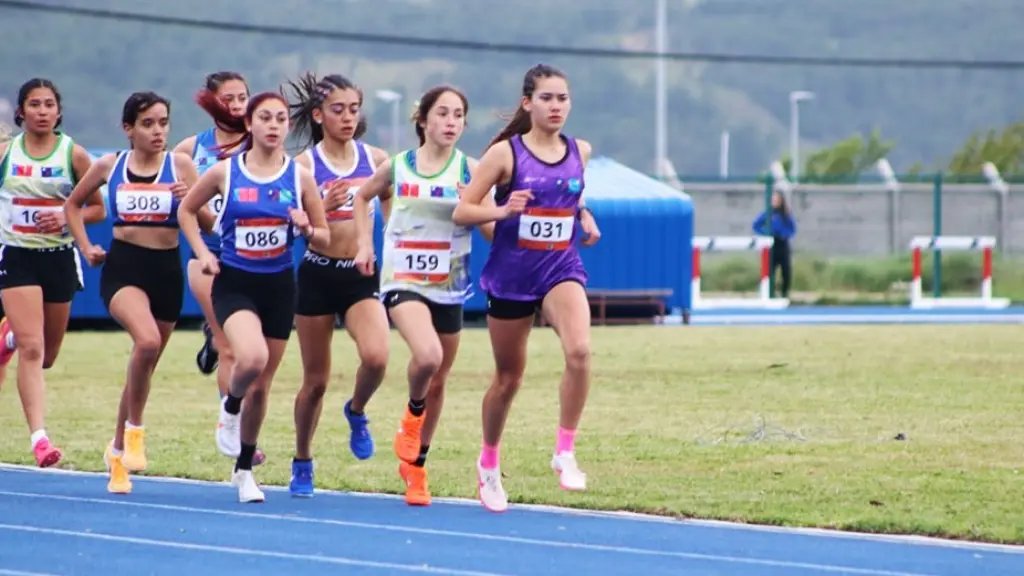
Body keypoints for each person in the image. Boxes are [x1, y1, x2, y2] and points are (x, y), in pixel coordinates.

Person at [451, 64, 602, 513]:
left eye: (562, 99)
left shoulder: (581, 150)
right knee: (508, 379)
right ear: (527, 103)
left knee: (580, 352)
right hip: (512, 275)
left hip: (560, 268)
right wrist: (503, 212)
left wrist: (585, 216)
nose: (556, 107)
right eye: (547, 99)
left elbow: (570, 198)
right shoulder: (504, 156)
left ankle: (565, 451)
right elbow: (463, 211)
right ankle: (489, 464)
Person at [178, 91, 330, 503]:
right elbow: (187, 212)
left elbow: (325, 233)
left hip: (279, 286)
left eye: (281, 118)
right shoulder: (226, 173)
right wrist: (205, 252)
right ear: (249, 125)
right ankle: (229, 409)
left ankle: (244, 469)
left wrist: (308, 229)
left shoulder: (300, 178)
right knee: (253, 357)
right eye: (265, 117)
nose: (274, 125)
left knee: (262, 386)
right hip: (235, 283)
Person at [354, 85, 494, 506]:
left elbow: (487, 224)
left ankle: (416, 469)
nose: (451, 122)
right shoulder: (399, 166)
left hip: (449, 285)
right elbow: (362, 197)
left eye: (458, 115)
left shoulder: (470, 170)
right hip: (403, 279)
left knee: (439, 380)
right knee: (428, 357)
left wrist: (505, 218)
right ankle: (411, 418)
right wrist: (365, 245)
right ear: (423, 120)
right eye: (443, 114)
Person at [65, 92, 209, 494]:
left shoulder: (180, 166)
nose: (158, 131)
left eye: (163, 122)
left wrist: (191, 202)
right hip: (123, 267)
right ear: (128, 129)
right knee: (145, 342)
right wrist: (86, 246)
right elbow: (73, 206)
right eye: (148, 123)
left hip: (166, 272)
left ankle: (115, 453)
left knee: (144, 365)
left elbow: (210, 224)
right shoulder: (111, 165)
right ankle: (136, 433)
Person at [282, 72, 391, 498]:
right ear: (318, 115)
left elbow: (394, 213)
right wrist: (316, 214)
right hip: (316, 273)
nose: (348, 117)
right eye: (338, 110)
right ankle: (303, 459)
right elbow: (291, 226)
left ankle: (357, 409)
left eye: (353, 109)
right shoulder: (305, 165)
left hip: (360, 275)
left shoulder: (377, 159)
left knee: (378, 358)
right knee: (315, 381)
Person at [0, 78, 100, 467]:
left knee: (47, 356)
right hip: (16, 256)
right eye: (34, 104)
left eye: (48, 104)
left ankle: (6, 339)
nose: (42, 111)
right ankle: (40, 440)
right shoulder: (7, 153)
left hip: (58, 257)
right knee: (33, 347)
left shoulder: (73, 155)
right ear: (21, 112)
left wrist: (63, 214)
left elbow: (98, 209)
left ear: (58, 111)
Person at [172, 71, 266, 466]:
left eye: (244, 96)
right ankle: (234, 432)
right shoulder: (191, 149)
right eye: (229, 98)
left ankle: (212, 336)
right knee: (233, 350)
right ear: (212, 102)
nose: (239, 105)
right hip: (207, 257)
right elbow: (182, 208)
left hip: (253, 262)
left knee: (254, 354)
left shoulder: (259, 140)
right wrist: (180, 194)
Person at [752, 190, 796, 298]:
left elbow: (792, 228)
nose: (775, 202)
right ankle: (767, 293)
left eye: (777, 199)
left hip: (782, 243)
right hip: (771, 243)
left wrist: (784, 234)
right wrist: (765, 233)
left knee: (786, 269)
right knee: (769, 269)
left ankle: (784, 293)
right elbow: (756, 225)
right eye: (773, 199)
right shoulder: (768, 213)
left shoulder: (785, 214)